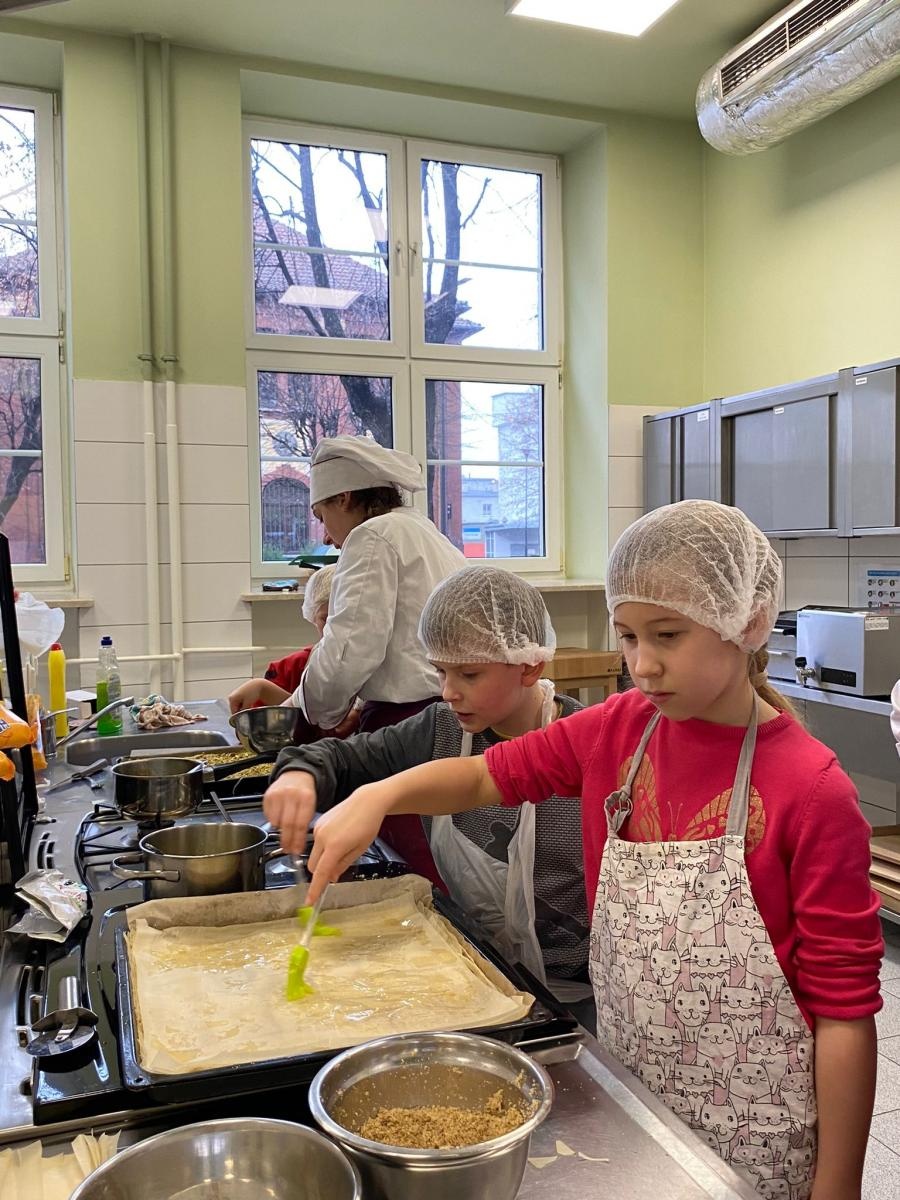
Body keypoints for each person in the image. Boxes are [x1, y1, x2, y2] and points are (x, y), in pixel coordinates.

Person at [298, 500, 883, 1200]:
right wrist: (377, 796)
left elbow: (845, 1012)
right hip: (637, 1092)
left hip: (757, 1133)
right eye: (629, 636)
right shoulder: (620, 731)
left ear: (747, 622)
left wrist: (840, 1183)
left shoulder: (811, 790)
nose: (643, 665)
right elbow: (489, 774)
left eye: (668, 635)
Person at [264, 566, 590, 998]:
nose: (449, 691)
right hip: (471, 967)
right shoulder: (440, 731)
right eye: (441, 671)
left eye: (469, 675)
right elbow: (340, 759)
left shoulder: (583, 744)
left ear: (529, 666)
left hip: (579, 987)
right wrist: (299, 775)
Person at [273, 434, 465, 885]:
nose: (324, 534)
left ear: (344, 496)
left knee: (410, 871)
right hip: (449, 719)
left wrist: (302, 714)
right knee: (445, 857)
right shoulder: (421, 529)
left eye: (322, 516)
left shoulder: (373, 536)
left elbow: (347, 653)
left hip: (407, 728)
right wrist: (352, 707)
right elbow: (404, 644)